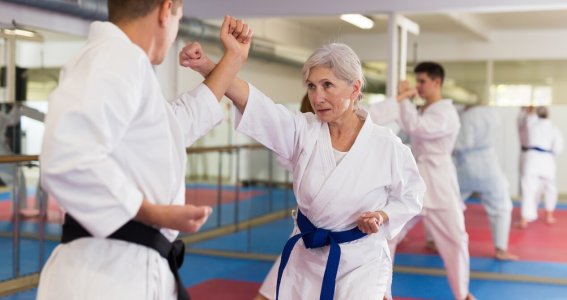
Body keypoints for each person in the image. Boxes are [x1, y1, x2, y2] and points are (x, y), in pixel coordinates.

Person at [37, 0, 252, 298]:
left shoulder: (124, 62)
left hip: (120, 268)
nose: (175, 32)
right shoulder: (116, 57)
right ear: (166, 11)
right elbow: (67, 157)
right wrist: (154, 213)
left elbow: (176, 125)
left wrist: (233, 60)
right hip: (107, 273)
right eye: (179, 18)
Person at [186, 42, 425, 299]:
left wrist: (382, 215)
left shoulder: (386, 145)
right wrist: (207, 67)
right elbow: (255, 103)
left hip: (360, 262)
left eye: (327, 85)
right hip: (307, 256)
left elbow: (412, 194)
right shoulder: (303, 130)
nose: (317, 97)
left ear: (355, 88)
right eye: (311, 86)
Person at [370, 62, 475, 300]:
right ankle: (382, 292)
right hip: (415, 181)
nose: (419, 86)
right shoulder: (425, 109)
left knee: (456, 240)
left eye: (422, 81)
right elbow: (409, 128)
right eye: (416, 81)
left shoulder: (446, 113)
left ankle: (462, 293)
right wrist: (404, 101)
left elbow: (418, 128)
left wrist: (405, 99)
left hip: (439, 183)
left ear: (437, 82)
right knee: (389, 235)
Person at [453, 104, 517, 260]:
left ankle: (435, 240)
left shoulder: (466, 116)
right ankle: (501, 248)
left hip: (465, 165)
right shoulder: (493, 113)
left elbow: (461, 143)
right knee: (501, 206)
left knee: (449, 205)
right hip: (488, 164)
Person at [519, 106, 564, 228]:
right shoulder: (554, 129)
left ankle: (524, 219)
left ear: (536, 115)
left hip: (531, 158)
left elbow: (522, 126)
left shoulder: (531, 126)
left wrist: (526, 112)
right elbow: (558, 148)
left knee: (528, 188)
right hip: (547, 159)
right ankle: (549, 215)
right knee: (550, 188)